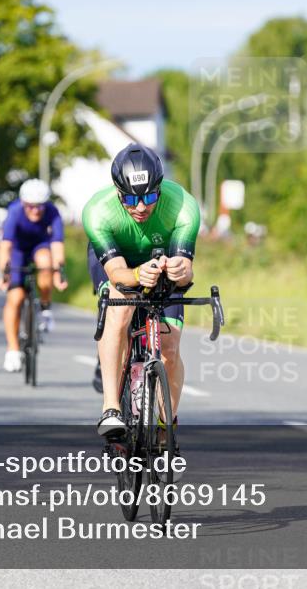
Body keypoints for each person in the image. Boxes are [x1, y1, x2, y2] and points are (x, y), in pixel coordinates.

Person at [82, 144, 200, 437]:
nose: (141, 207)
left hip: (161, 262)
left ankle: (164, 426)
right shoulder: (97, 211)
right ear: (117, 192)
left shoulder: (183, 206)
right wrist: (137, 274)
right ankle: (111, 408)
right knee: (120, 310)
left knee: (170, 346)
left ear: (159, 188)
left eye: (149, 197)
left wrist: (180, 271)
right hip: (119, 263)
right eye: (131, 199)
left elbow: (186, 272)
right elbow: (117, 274)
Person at [0, 178, 68, 372]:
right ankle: (12, 349)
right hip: (18, 250)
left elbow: (57, 246)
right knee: (15, 297)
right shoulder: (14, 212)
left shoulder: (53, 212)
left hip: (40, 246)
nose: (35, 211)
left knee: (45, 263)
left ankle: (45, 308)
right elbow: (5, 246)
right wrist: (4, 275)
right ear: (23, 203)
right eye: (30, 206)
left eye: (40, 206)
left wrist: (58, 274)